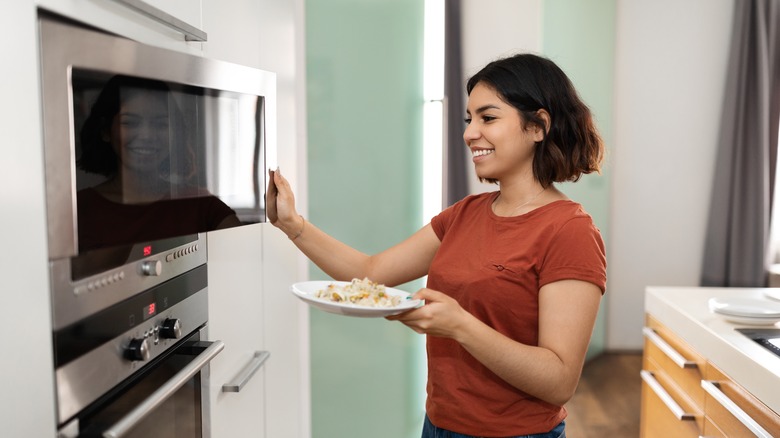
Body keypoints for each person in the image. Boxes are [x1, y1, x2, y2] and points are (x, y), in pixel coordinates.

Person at [267, 53, 606, 438]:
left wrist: (461, 326)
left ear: (538, 126)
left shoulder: (570, 232)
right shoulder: (464, 214)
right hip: (439, 426)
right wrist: (291, 224)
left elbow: (559, 381)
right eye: (469, 119)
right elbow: (372, 274)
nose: (469, 133)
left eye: (488, 118)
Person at [76, 75, 242, 252]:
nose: (147, 135)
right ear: (105, 131)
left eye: (160, 124)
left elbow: (245, 253)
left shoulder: (199, 203)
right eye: (130, 122)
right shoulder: (80, 209)